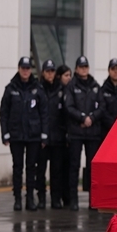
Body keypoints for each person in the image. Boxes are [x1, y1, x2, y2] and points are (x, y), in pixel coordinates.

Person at [0, 56, 48, 212]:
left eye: (28, 68)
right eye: (23, 68)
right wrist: (5, 133)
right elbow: (4, 112)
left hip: (34, 135)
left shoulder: (37, 88)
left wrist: (44, 134)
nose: (25, 71)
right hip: (16, 135)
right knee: (17, 167)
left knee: (31, 167)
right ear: (19, 69)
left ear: (31, 70)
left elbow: (44, 113)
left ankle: (30, 199)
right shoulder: (10, 88)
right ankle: (17, 199)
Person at [64, 56, 102, 211]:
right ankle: (74, 199)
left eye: (85, 66)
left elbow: (102, 106)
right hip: (76, 132)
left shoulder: (95, 86)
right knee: (74, 166)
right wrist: (82, 117)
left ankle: (93, 200)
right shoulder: (71, 86)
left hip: (92, 132)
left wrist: (91, 118)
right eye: (81, 67)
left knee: (92, 167)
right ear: (76, 69)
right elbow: (69, 107)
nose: (84, 69)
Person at [38, 61, 69, 209]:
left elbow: (65, 113)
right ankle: (41, 198)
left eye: (52, 71)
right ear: (43, 72)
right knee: (40, 170)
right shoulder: (38, 89)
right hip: (42, 137)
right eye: (47, 71)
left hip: (58, 136)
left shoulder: (61, 89)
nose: (50, 74)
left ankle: (56, 199)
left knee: (56, 170)